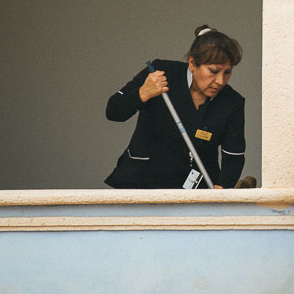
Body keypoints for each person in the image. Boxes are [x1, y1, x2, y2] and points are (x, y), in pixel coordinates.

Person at [104, 25, 247, 189]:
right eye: (214, 71)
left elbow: (234, 156)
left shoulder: (232, 102)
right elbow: (113, 111)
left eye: (227, 72)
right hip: (140, 184)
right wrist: (143, 93)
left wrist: (222, 188)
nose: (220, 81)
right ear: (192, 63)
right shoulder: (161, 73)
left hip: (194, 193)